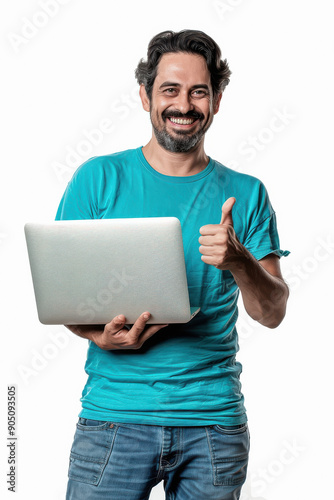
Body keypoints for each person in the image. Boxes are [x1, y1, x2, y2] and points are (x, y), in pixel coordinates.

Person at [56, 29, 290, 500]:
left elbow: (273, 313)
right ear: (145, 96)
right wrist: (97, 334)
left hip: (213, 426)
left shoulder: (247, 192)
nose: (184, 105)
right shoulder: (98, 179)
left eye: (199, 91)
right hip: (114, 420)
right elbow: (64, 296)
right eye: (170, 90)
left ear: (217, 100)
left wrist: (241, 261)